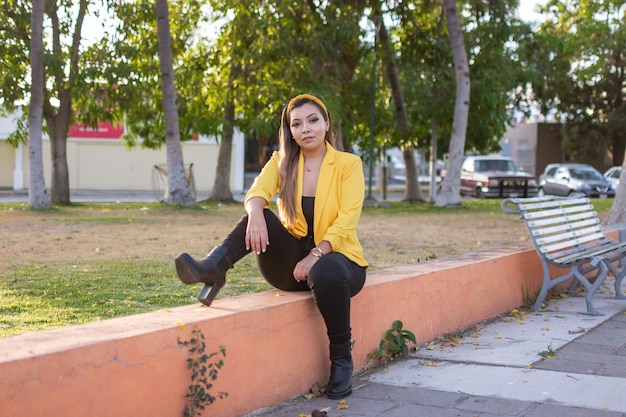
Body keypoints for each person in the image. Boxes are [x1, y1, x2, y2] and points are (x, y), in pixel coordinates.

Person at [174, 93, 368, 400]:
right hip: (289, 269)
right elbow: (257, 190)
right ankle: (215, 265)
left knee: (327, 270)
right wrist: (255, 213)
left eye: (313, 120)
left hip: (339, 266)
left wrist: (316, 255)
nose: (306, 128)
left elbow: (347, 220)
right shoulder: (282, 161)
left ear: (327, 123)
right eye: (297, 123)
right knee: (259, 212)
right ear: (289, 131)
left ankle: (341, 359)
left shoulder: (348, 164)